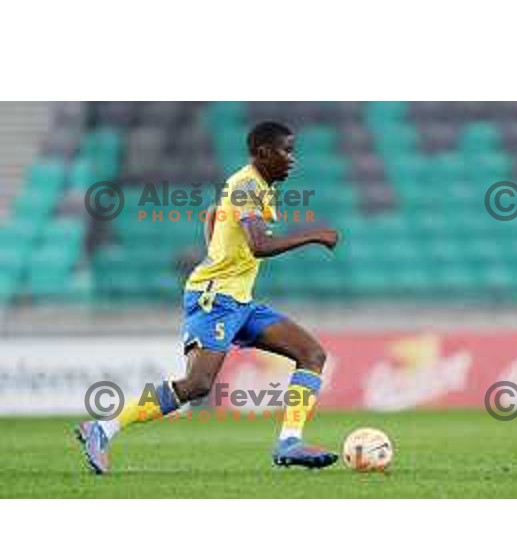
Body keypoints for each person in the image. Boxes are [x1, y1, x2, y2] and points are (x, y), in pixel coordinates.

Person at [76, 121, 340, 474]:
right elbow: (258, 245)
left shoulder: (256, 185)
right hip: (215, 299)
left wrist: (215, 252)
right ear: (263, 153)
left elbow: (213, 214)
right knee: (197, 384)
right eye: (286, 151)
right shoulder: (247, 186)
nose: (292, 159)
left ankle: (289, 442)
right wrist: (314, 236)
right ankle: (104, 427)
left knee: (311, 353)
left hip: (240, 301)